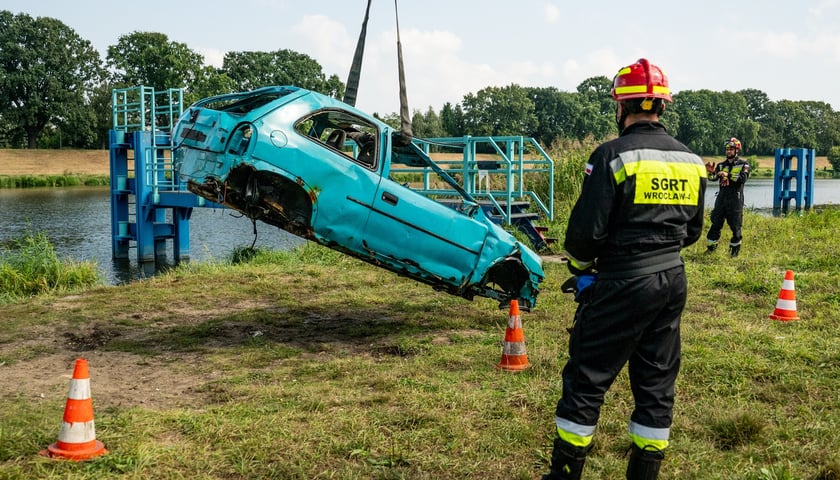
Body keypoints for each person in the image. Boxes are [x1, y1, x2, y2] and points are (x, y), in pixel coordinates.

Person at [542, 59, 707, 480]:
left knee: (587, 380)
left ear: (622, 107)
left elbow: (583, 236)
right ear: (662, 108)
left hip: (621, 282)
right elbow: (692, 231)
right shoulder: (691, 160)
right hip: (672, 280)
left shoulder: (612, 155)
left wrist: (583, 271)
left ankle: (564, 475)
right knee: (656, 385)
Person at [705, 137, 751, 257]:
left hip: (735, 200)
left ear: (736, 150)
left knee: (736, 228)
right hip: (721, 199)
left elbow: (742, 179)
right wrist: (710, 173)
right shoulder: (721, 165)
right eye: (727, 149)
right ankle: (711, 250)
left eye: (731, 149)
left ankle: (734, 254)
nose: (728, 151)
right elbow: (713, 179)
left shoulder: (744, 165)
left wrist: (728, 175)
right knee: (715, 224)